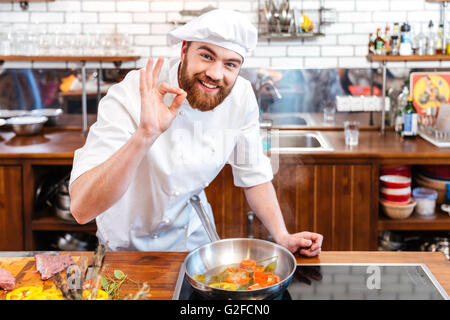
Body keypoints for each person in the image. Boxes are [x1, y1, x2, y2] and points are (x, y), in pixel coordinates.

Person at [69, 9, 323, 256]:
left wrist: (282, 235)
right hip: (125, 251)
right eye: (207, 56)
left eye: (230, 64)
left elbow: (253, 174)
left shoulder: (241, 97)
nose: (215, 74)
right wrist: (144, 135)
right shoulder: (133, 93)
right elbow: (82, 209)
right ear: (183, 51)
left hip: (192, 246)